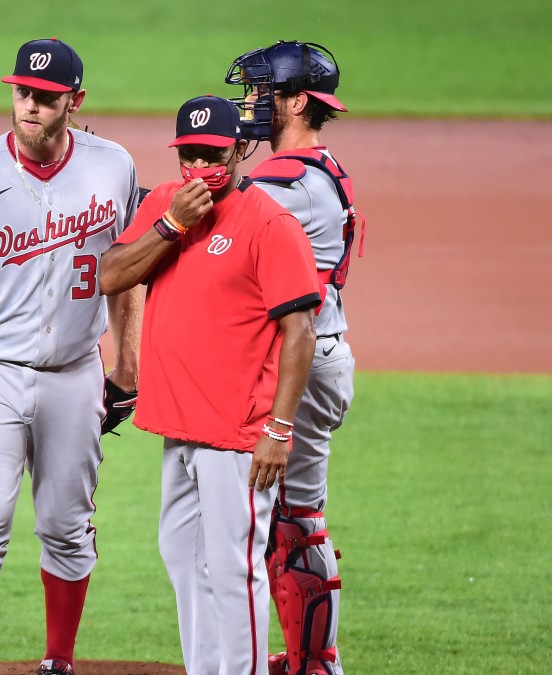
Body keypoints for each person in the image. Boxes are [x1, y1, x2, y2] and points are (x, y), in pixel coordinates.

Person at [0, 38, 144, 675]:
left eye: (46, 97)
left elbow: (129, 274)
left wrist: (127, 367)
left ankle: (59, 660)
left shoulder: (114, 166)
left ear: (75, 101)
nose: (31, 106)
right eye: (22, 93)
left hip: (75, 375)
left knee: (67, 526)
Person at [99, 94, 319, 675]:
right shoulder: (168, 205)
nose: (199, 166)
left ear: (241, 148)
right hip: (179, 426)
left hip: (238, 435)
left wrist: (279, 426)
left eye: (212, 153)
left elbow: (300, 332)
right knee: (183, 559)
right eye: (189, 154)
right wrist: (173, 226)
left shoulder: (270, 224)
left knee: (232, 569)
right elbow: (111, 275)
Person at [225, 40, 361, 675]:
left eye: (260, 92)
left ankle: (319, 663)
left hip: (305, 363)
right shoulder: (319, 167)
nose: (249, 104)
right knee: (285, 519)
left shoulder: (291, 181)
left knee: (298, 521)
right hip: (314, 355)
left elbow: (214, 230)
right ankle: (305, 655)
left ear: (298, 101)